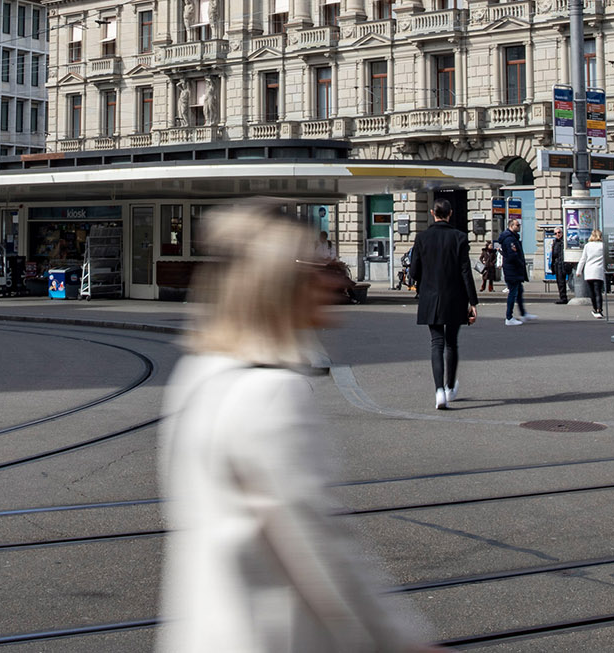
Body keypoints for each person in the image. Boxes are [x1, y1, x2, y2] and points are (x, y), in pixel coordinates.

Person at [157, 205, 431, 653]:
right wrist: (398, 641)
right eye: (321, 268)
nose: (336, 282)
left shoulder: (201, 371)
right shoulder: (272, 393)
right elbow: (320, 546)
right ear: (282, 284)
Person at [409, 198, 477, 411]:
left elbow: (413, 271)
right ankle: (449, 387)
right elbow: (466, 271)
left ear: (432, 213)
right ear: (450, 214)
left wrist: (422, 281)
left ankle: (439, 391)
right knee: (451, 343)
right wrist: (473, 301)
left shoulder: (422, 238)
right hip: (455, 297)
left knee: (436, 343)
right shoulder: (459, 237)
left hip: (430, 297)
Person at [496, 216, 529, 326]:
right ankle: (509, 317)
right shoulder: (509, 239)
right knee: (513, 293)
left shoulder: (512, 237)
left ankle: (523, 314)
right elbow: (512, 256)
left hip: (513, 270)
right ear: (511, 226)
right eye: (517, 225)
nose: (519, 227)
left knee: (519, 291)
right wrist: (520, 263)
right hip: (512, 270)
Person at [582, 229, 608, 318]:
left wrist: (578, 271)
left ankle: (594, 309)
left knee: (591, 292)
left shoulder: (587, 246)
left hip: (589, 271)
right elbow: (606, 258)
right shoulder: (603, 246)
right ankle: (599, 310)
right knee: (598, 292)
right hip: (599, 271)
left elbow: (583, 259)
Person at [551, 231, 573, 304]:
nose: (557, 234)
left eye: (559, 232)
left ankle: (565, 297)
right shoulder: (555, 242)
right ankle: (563, 298)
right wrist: (553, 265)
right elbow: (553, 255)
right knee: (560, 282)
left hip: (564, 263)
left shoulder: (564, 241)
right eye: (555, 233)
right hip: (557, 264)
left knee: (568, 281)